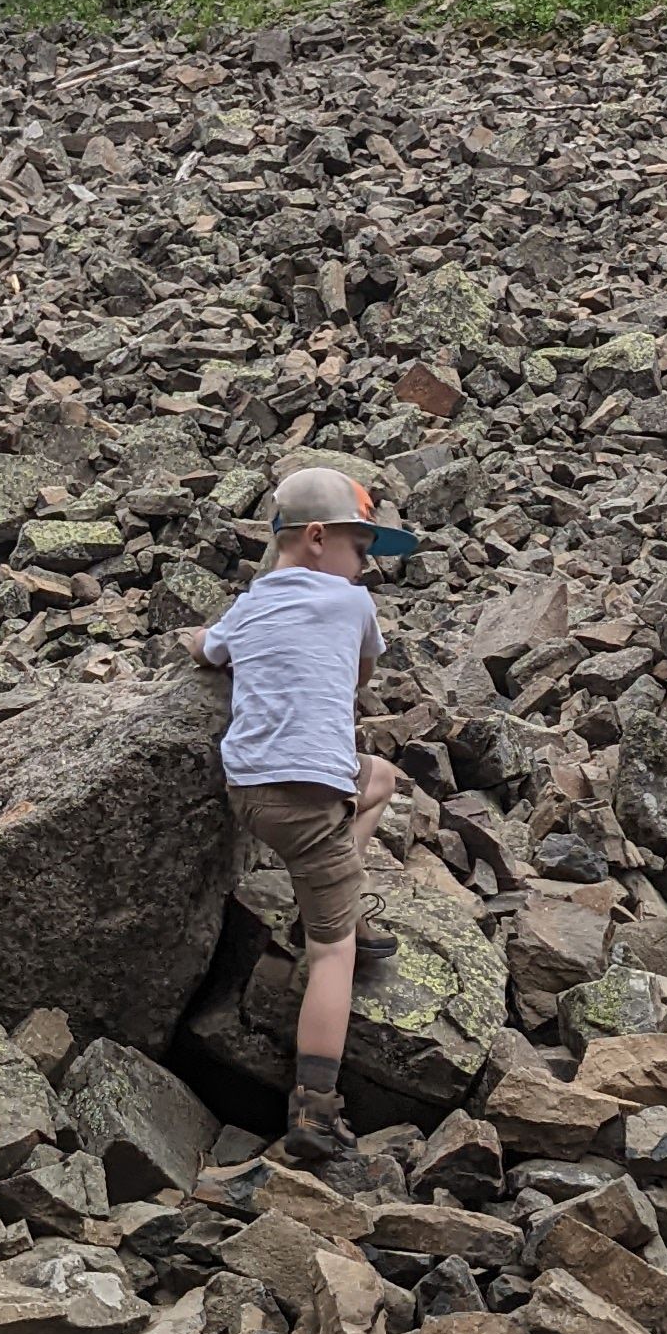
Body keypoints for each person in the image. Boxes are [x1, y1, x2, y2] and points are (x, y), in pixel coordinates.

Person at [197, 463, 418, 1180]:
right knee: (333, 955)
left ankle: (331, 902)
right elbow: (359, 677)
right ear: (318, 538)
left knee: (379, 778)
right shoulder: (350, 605)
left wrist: (197, 643)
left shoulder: (251, 601)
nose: (366, 565)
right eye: (362, 547)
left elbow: (207, 648)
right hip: (310, 795)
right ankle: (315, 1108)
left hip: (249, 791)